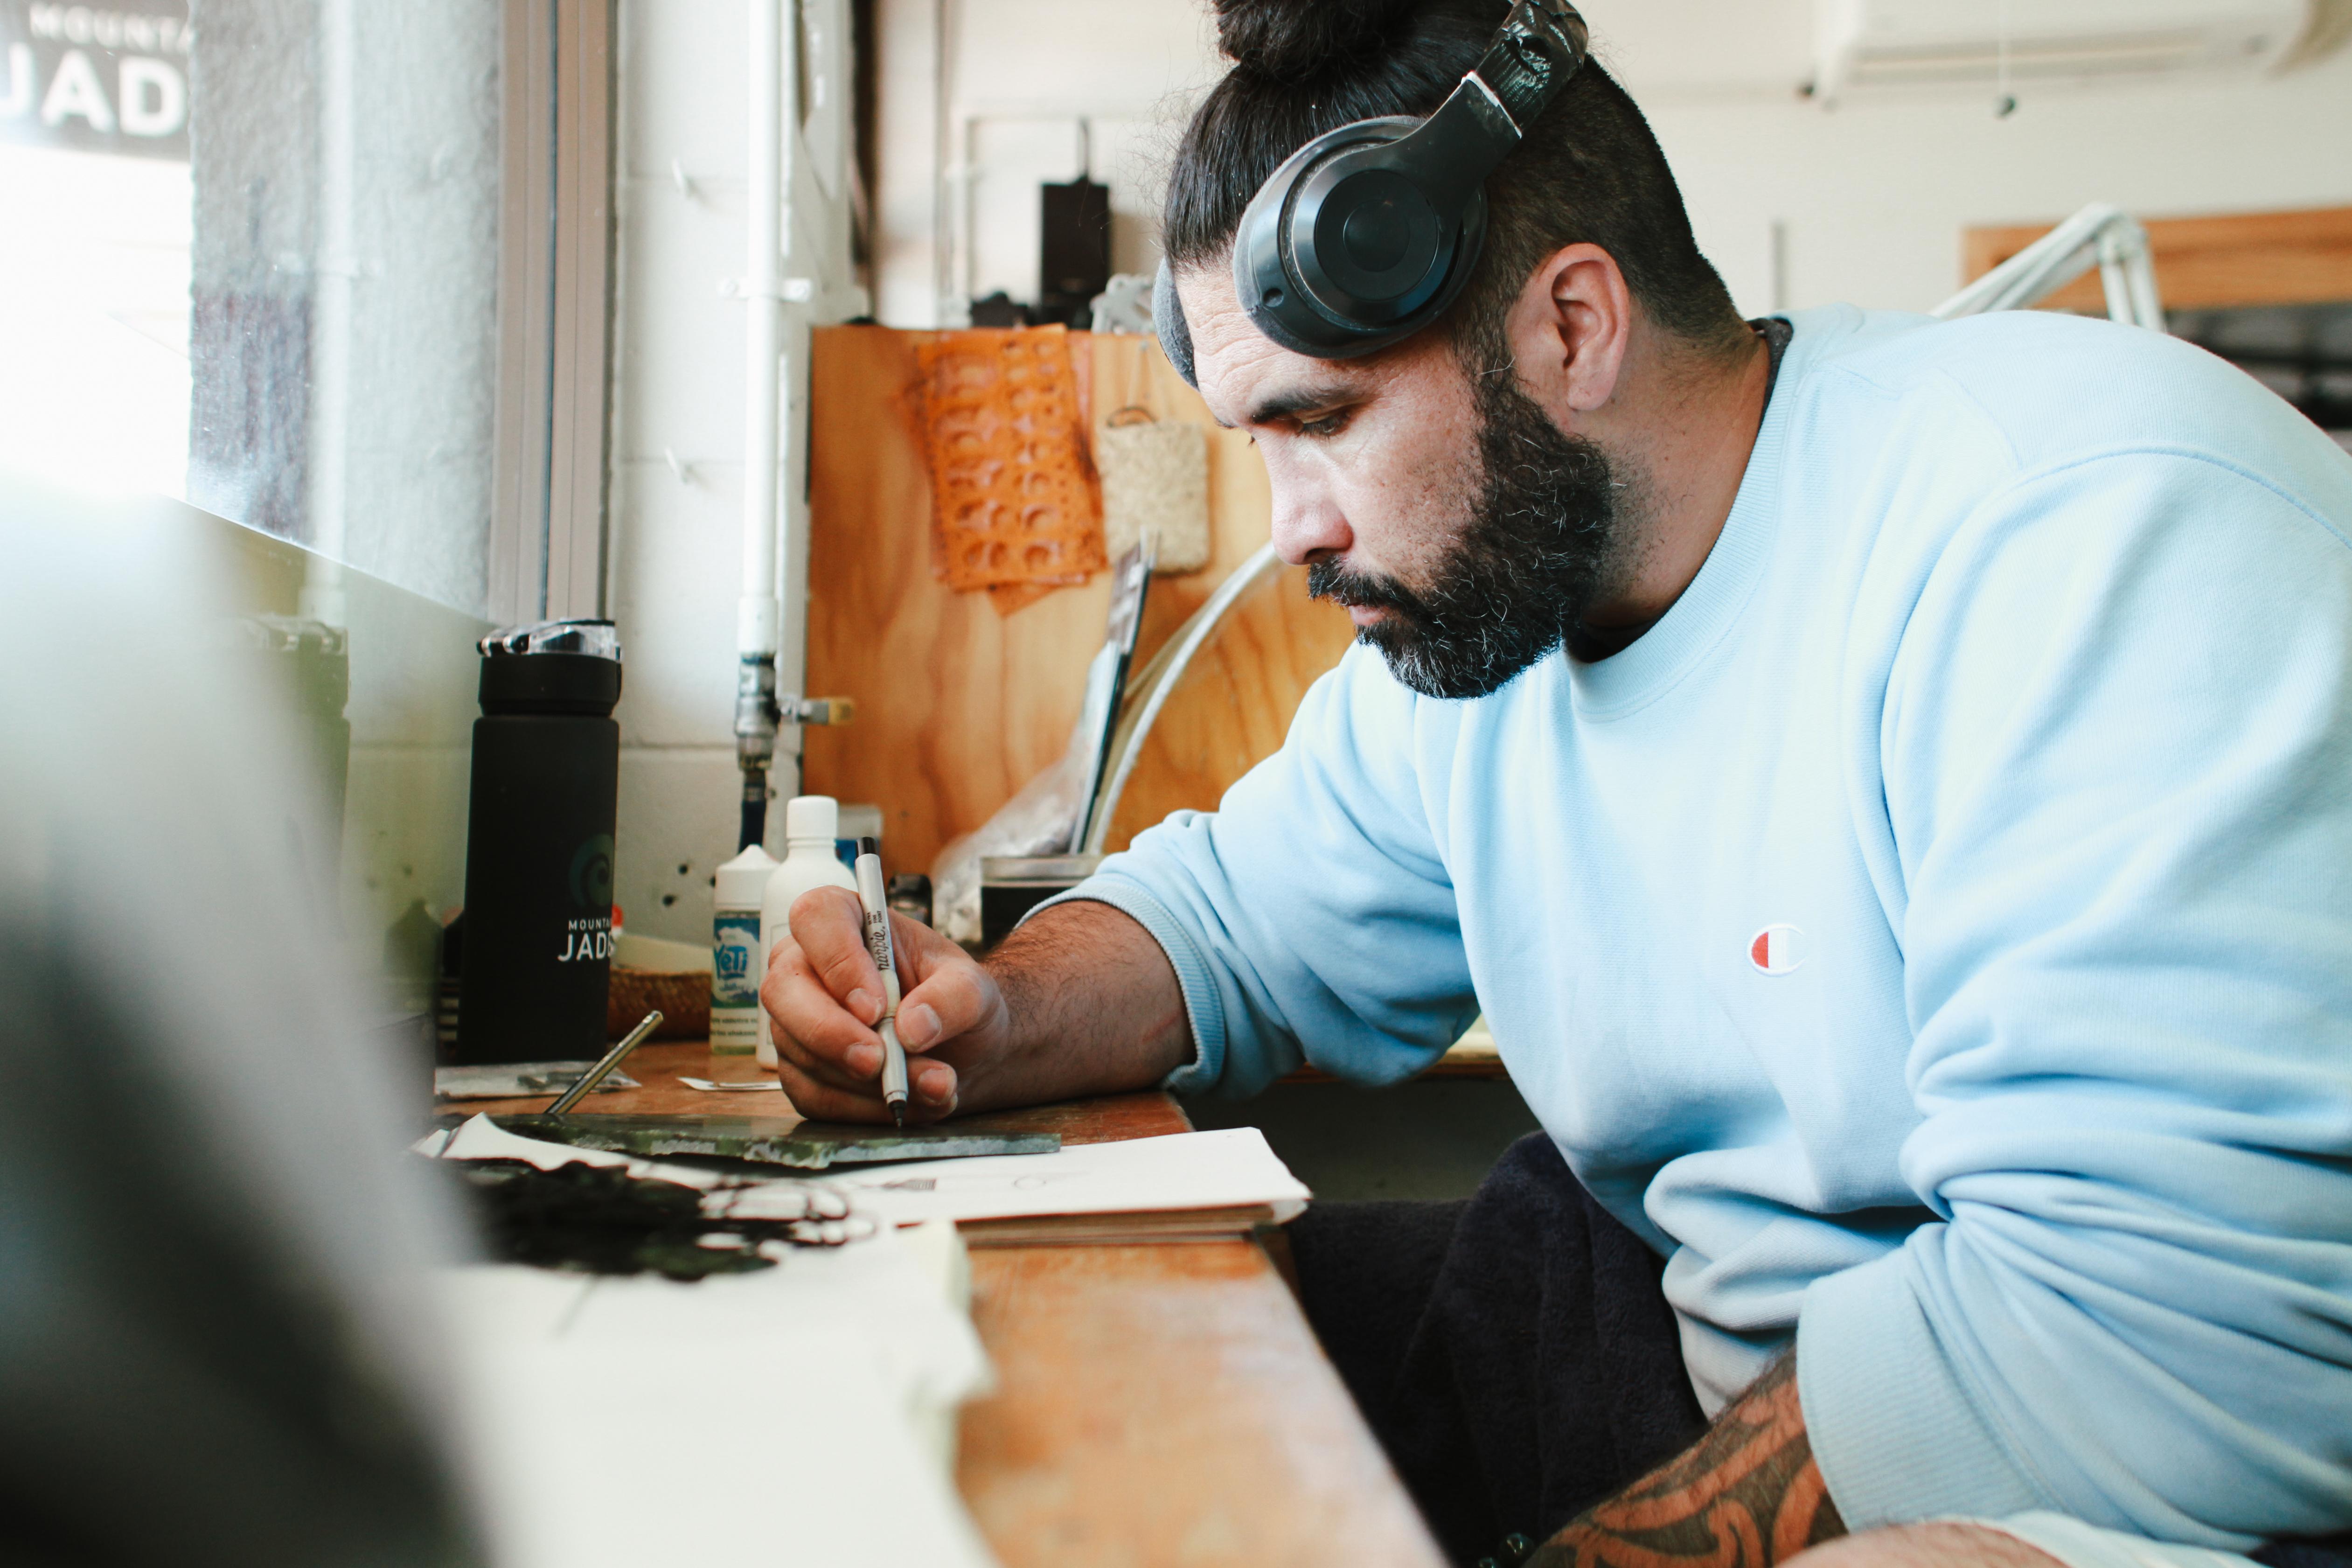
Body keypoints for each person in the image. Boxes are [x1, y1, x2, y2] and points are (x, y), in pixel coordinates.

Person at [762, 2, 2352, 1566]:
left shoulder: (2085, 538)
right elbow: (1236, 920)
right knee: (1037, 1384)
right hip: (1685, 1351)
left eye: (1319, 420)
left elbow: (2154, 1352)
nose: (1286, 526)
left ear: (1572, 328)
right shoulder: (1496, 622)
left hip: (2114, 1486)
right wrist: (978, 1009)